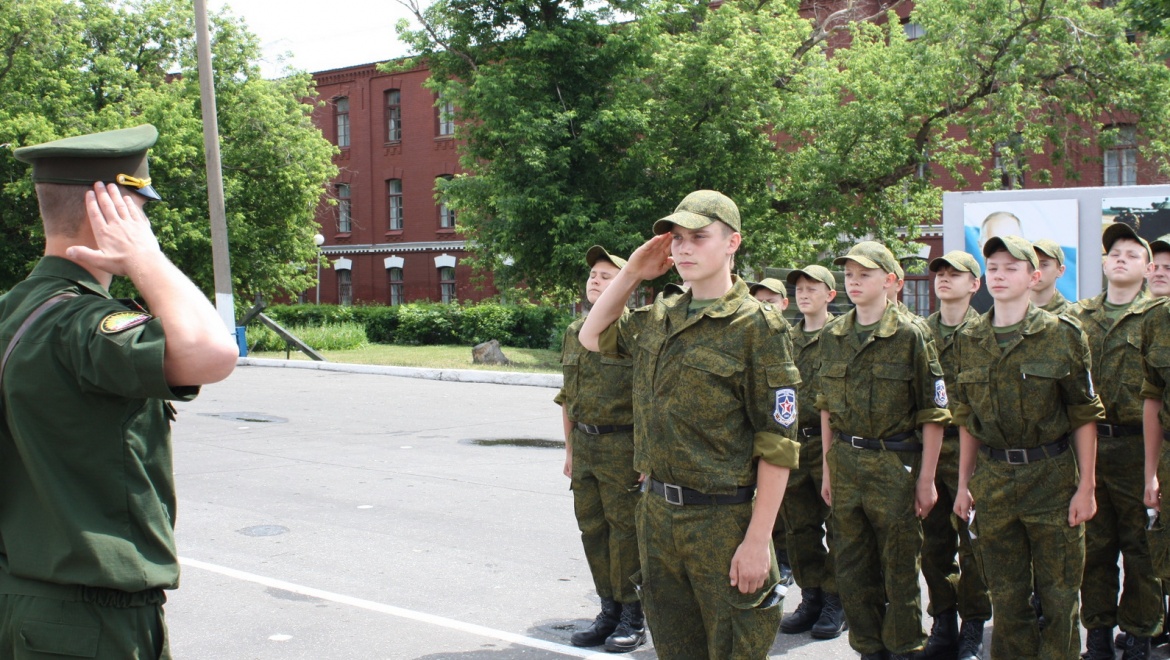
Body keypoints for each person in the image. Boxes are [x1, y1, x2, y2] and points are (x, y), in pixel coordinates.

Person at [0, 125, 239, 658]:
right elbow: (214, 352)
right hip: (89, 622)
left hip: (21, 599)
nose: (146, 225)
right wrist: (146, 260)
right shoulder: (83, 323)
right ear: (111, 213)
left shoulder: (13, 309)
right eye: (139, 209)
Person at [578, 190, 801, 659]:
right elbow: (591, 335)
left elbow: (778, 444)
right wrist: (634, 271)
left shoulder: (756, 326)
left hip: (723, 521)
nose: (682, 248)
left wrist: (758, 541)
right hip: (657, 516)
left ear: (732, 242)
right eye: (677, 238)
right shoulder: (662, 314)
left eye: (698, 237)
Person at [952, 235, 1105, 660]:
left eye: (1011, 268)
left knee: (1058, 597)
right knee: (1007, 597)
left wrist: (1086, 487)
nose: (1000, 276)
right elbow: (968, 420)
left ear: (1034, 276)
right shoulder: (970, 339)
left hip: (1051, 477)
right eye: (993, 268)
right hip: (995, 480)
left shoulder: (1062, 334)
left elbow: (1083, 414)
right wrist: (965, 485)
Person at [816, 241, 950, 660]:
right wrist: (826, 469)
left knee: (899, 571)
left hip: (894, 464)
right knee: (852, 570)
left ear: (891, 281)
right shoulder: (833, 335)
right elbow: (825, 409)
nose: (854, 282)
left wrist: (926, 479)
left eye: (865, 275)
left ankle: (905, 648)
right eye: (850, 275)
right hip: (846, 462)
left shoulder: (911, 333)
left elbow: (933, 411)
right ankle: (869, 649)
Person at [1072, 224, 1163, 660]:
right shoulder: (1077, 317)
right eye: (1114, 252)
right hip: (1088, 449)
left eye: (1132, 253)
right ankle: (1099, 637)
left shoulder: (1160, 317)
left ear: (1148, 268)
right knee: (1093, 548)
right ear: (1104, 263)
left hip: (1140, 447)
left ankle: (1141, 636)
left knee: (1142, 549)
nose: (1121, 258)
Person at [555, 245, 644, 652]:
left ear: (624, 287)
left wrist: (646, 452)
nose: (596, 280)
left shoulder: (635, 332)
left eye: (607, 276)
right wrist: (570, 450)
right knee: (593, 531)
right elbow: (567, 397)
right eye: (593, 273)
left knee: (626, 534)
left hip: (623, 445)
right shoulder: (575, 333)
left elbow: (649, 396)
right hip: (587, 446)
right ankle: (608, 609)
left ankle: (633, 614)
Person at [920, 250, 992, 660]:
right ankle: (943, 621)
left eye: (955, 274)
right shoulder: (919, 332)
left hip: (972, 452)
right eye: (940, 273)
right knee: (933, 545)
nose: (944, 279)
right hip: (930, 449)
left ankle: (973, 624)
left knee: (974, 546)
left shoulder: (986, 333)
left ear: (974, 284)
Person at [776, 265, 847, 641]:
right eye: (799, 288)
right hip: (794, 441)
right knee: (798, 526)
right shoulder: (785, 337)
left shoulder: (841, 336)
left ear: (830, 295)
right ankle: (812, 595)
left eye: (812, 288)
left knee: (838, 525)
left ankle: (837, 599)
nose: (804, 294)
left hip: (831, 443)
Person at [750, 278, 793, 587]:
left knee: (798, 517)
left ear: (784, 303)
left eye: (772, 300)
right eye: (759, 300)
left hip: (796, 441)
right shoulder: (752, 334)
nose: (766, 306)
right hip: (763, 441)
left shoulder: (788, 339)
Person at [1032, 239, 1072, 314]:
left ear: (1060, 271)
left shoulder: (1072, 314)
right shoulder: (1008, 310)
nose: (1036, 271)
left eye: (1044, 265)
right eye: (1033, 264)